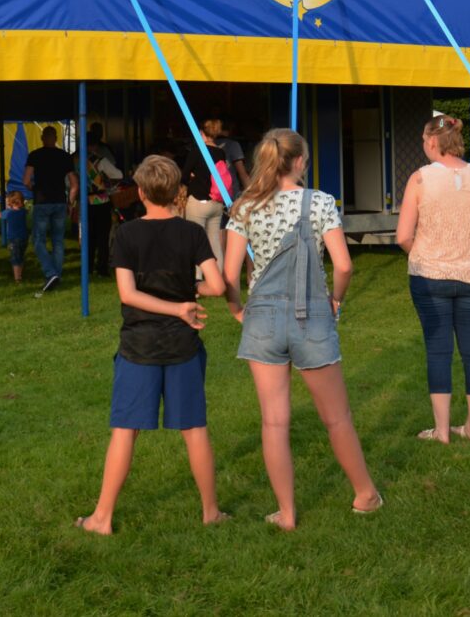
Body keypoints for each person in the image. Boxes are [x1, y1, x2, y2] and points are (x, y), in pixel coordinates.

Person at [223, 128, 381, 527]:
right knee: (337, 417)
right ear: (298, 162)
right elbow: (344, 265)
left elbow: (229, 274)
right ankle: (365, 494)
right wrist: (336, 300)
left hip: (262, 318)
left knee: (274, 422)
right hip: (312, 315)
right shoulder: (321, 202)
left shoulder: (244, 207)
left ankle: (287, 512)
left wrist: (236, 308)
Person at [76, 155, 229, 535]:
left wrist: (180, 299)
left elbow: (128, 294)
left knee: (125, 430)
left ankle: (102, 518)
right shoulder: (191, 234)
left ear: (141, 192)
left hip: (139, 347)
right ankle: (210, 512)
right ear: (177, 192)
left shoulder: (127, 234)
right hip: (181, 345)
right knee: (194, 429)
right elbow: (218, 285)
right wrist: (185, 296)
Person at [394, 114, 470, 443]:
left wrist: (424, 254)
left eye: (423, 140)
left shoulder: (420, 179)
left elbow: (403, 236)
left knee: (438, 352)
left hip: (430, 277)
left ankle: (442, 430)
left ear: (432, 142)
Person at [24, 125, 79, 295]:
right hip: (60, 201)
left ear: (42, 138)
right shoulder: (64, 156)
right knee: (58, 241)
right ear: (56, 138)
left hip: (41, 201)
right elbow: (74, 184)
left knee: (38, 240)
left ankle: (50, 272)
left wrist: (34, 189)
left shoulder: (35, 155)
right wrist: (70, 202)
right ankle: (57, 274)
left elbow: (26, 180)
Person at [181, 117, 234, 268]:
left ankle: (198, 276)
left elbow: (184, 176)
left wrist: (193, 177)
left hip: (198, 201)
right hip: (216, 202)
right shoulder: (220, 152)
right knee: (215, 241)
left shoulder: (197, 151)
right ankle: (219, 274)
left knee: (195, 240)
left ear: (201, 133)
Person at [85, 123, 124, 277]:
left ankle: (87, 267)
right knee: (102, 235)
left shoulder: (76, 160)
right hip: (101, 200)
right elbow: (118, 175)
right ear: (95, 145)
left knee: (88, 235)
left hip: (84, 201)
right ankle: (102, 268)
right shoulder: (100, 161)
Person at [1, 190, 29, 283]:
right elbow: (26, 209)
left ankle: (17, 278)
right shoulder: (23, 212)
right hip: (24, 238)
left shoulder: (8, 212)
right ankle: (20, 274)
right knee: (21, 256)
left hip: (13, 239)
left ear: (10, 202)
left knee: (15, 258)